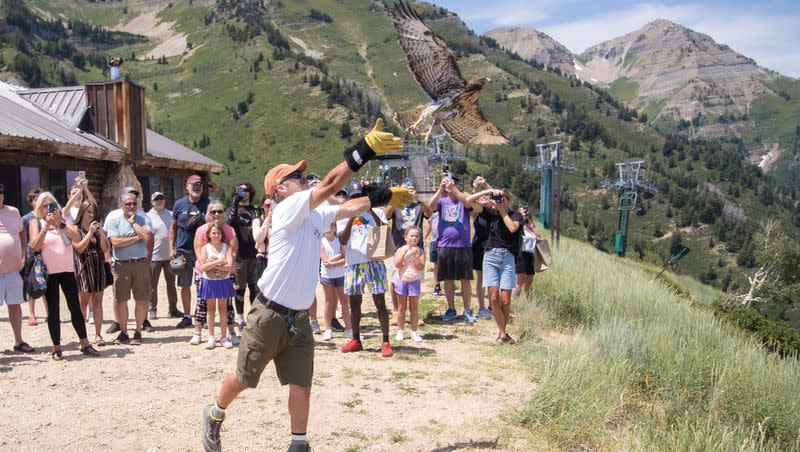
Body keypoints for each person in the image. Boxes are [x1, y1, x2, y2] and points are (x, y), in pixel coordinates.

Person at [201, 118, 412, 452]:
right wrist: (365, 149)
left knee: (301, 384)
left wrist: (385, 197)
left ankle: (298, 445)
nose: (303, 178)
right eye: (296, 176)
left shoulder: (314, 214)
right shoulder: (287, 210)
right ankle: (214, 413)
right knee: (244, 379)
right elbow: (329, 184)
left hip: (299, 318)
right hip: (268, 314)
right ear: (280, 189)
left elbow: (346, 206)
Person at [29, 192, 99, 359]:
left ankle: (85, 343)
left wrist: (60, 223)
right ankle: (57, 347)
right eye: (45, 206)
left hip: (68, 271)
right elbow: (34, 246)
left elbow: (76, 236)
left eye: (51, 205)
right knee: (53, 311)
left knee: (75, 307)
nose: (48, 209)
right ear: (39, 208)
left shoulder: (64, 221)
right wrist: (46, 227)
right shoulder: (36, 222)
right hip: (49, 273)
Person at [338, 179, 394, 357]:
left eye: (360, 196)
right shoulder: (344, 214)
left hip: (374, 261)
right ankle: (356, 340)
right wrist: (351, 218)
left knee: (380, 302)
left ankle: (385, 340)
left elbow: (385, 230)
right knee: (355, 304)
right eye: (354, 197)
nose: (357, 199)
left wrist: (369, 210)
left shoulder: (376, 210)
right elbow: (342, 239)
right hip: (353, 263)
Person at [468, 188, 523, 343]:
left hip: (507, 258)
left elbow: (512, 228)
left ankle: (503, 333)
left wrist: (501, 210)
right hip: (490, 256)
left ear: (509, 200)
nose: (500, 200)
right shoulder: (489, 213)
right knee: (493, 298)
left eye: (503, 198)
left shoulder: (517, 216)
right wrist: (488, 190)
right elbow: (469, 201)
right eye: (498, 198)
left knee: (505, 301)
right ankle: (503, 333)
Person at [104, 186, 155, 334]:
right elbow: (115, 243)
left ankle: (138, 331)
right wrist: (136, 237)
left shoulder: (143, 218)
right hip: (121, 264)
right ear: (122, 205)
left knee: (141, 299)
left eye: (134, 203)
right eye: (128, 204)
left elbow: (147, 236)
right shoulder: (113, 218)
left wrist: (133, 223)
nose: (131, 206)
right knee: (121, 300)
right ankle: (124, 331)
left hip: (140, 263)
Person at [426, 177, 477, 323]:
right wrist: (441, 189)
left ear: (458, 185)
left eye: (453, 182)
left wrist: (454, 189)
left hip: (463, 245)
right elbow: (430, 206)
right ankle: (451, 309)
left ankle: (467, 310)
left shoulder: (463, 199)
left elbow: (468, 203)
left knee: (465, 279)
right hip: (445, 245)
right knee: (447, 279)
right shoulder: (442, 201)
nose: (449, 185)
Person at [189, 202, 238, 346]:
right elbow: (198, 251)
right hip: (204, 273)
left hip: (225, 274)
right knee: (202, 303)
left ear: (224, 213)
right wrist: (210, 268)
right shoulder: (201, 230)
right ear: (208, 213)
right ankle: (198, 332)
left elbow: (233, 252)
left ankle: (230, 333)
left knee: (227, 305)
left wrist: (222, 267)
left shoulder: (229, 230)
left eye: (220, 211)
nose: (216, 214)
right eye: (213, 211)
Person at [384, 179, 430, 324]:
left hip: (417, 248)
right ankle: (396, 311)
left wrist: (418, 199)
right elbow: (385, 215)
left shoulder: (418, 205)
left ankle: (414, 314)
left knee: (414, 279)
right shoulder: (396, 204)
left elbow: (430, 213)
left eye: (410, 189)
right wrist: (396, 197)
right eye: (405, 189)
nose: (408, 192)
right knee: (395, 280)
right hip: (398, 246)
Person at [171, 175, 210, 328]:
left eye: (199, 184)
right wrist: (171, 249)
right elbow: (173, 228)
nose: (197, 186)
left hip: (203, 251)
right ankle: (187, 316)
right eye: (193, 184)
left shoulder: (208, 204)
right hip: (183, 250)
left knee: (204, 283)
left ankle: (202, 315)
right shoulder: (179, 204)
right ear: (187, 186)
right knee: (184, 284)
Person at [0, 183, 35, 354]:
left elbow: (22, 232)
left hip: (13, 270)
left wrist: (22, 253)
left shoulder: (13, 212)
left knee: (15, 305)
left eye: (0, 193)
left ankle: (18, 341)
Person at [71, 200, 110, 346]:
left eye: (93, 212)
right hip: (83, 268)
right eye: (88, 212)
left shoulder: (96, 228)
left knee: (98, 301)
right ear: (82, 213)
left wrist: (101, 233)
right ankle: (82, 336)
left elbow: (105, 248)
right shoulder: (75, 229)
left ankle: (98, 334)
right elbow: (79, 248)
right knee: (83, 303)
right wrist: (90, 233)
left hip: (98, 267)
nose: (91, 215)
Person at [226, 182, 262, 328]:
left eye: (246, 190)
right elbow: (228, 225)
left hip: (254, 254)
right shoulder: (231, 210)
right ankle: (240, 318)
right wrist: (235, 204)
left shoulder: (256, 210)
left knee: (254, 288)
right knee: (239, 289)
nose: (243, 193)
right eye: (240, 190)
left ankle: (253, 317)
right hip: (239, 255)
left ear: (251, 192)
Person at [198, 223, 236, 350]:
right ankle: (211, 337)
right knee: (210, 309)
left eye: (218, 233)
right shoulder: (205, 248)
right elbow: (203, 267)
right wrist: (220, 261)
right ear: (208, 234)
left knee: (223, 309)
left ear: (222, 234)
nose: (216, 235)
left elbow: (229, 267)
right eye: (213, 233)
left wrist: (212, 264)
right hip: (209, 281)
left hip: (223, 281)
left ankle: (224, 337)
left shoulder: (227, 247)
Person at [147, 191, 179, 319]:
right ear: (152, 202)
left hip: (170, 255)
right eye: (156, 199)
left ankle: (173, 308)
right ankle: (152, 308)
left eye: (161, 198)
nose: (159, 201)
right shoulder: (147, 216)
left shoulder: (171, 214)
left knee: (171, 284)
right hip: (154, 256)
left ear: (164, 201)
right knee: (152, 284)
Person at [393, 226, 425, 342]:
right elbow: (396, 264)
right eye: (411, 236)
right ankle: (400, 330)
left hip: (414, 281)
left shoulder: (420, 251)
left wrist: (416, 255)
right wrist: (405, 253)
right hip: (402, 280)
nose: (414, 238)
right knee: (401, 307)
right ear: (405, 237)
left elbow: (421, 267)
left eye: (416, 236)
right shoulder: (400, 249)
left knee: (414, 308)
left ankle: (414, 331)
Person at [319, 223, 350, 341]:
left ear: (335, 228)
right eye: (326, 226)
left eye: (331, 226)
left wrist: (334, 262)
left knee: (344, 301)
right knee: (329, 301)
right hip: (327, 276)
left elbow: (345, 258)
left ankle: (349, 328)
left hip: (340, 274)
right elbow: (325, 260)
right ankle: (328, 329)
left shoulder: (339, 241)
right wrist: (337, 257)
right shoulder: (321, 241)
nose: (328, 228)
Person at [471, 176, 493, 319]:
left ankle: (492, 306)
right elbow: (469, 201)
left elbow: (497, 195)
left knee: (491, 279)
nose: (484, 198)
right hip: (479, 247)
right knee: (481, 279)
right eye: (482, 197)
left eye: (487, 196)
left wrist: (485, 184)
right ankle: (482, 307)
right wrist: (475, 189)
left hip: (492, 247)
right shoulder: (477, 211)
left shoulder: (495, 210)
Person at [21, 187, 42, 326]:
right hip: (31, 257)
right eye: (36, 199)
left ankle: (50, 313)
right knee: (31, 285)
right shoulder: (26, 218)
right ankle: (32, 314)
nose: (38, 201)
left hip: (46, 255)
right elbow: (22, 238)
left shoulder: (48, 216)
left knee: (47, 284)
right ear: (31, 202)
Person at [514, 207, 539, 298]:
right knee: (520, 282)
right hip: (522, 254)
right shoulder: (519, 225)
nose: (525, 212)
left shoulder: (530, 227)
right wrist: (522, 219)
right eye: (523, 211)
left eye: (527, 210)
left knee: (529, 282)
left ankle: (529, 304)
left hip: (531, 255)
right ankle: (515, 303)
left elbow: (538, 237)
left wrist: (532, 228)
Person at [424, 211, 441, 296]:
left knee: (448, 263)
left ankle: (450, 285)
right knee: (436, 264)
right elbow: (429, 224)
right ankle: (437, 285)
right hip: (434, 241)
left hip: (447, 242)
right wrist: (424, 237)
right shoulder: (433, 212)